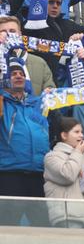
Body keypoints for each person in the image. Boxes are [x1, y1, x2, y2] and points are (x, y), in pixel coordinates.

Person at [0, 59, 50, 226]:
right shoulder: (3, 104)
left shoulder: (38, 104)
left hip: (38, 174)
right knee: (7, 228)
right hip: (10, 174)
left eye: (22, 73)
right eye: (13, 74)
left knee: (42, 228)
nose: (18, 76)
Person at [43, 117, 84, 228]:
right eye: (76, 132)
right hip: (67, 218)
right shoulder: (51, 157)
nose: (81, 135)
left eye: (82, 132)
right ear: (64, 135)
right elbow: (67, 175)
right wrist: (78, 152)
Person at [0, 16, 55, 96]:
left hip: (35, 107)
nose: (8, 35)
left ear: (20, 34)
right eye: (3, 32)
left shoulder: (39, 63)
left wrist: (49, 94)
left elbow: (51, 91)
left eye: (12, 31)